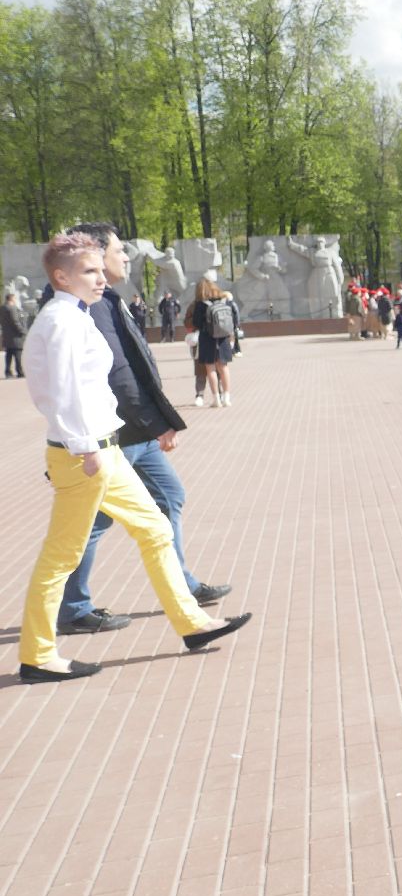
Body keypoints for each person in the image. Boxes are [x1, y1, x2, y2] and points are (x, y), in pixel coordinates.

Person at [18, 232, 251, 683]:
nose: (100, 276)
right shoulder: (61, 321)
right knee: (61, 557)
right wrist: (84, 447)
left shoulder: (75, 315)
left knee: (155, 528)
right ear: (61, 277)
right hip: (87, 454)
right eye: (89, 270)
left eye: (99, 268)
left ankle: (193, 624)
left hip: (104, 448)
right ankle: (38, 654)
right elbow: (62, 394)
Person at [49, 222, 233, 634]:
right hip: (117, 434)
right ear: (93, 257)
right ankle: (73, 609)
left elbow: (135, 366)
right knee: (93, 523)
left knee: (167, 497)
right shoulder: (89, 306)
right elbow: (118, 375)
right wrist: (157, 424)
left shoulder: (105, 299)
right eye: (119, 251)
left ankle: (183, 589)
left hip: (133, 431)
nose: (126, 257)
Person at [190, 277, 238, 405]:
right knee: (223, 367)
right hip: (223, 338)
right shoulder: (224, 301)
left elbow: (196, 323)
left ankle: (216, 398)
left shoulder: (201, 304)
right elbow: (234, 318)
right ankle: (227, 397)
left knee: (210, 368)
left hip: (207, 338)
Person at [2, 291, 25, 377]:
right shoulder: (12, 308)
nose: (15, 300)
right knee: (17, 355)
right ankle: (20, 372)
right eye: (14, 298)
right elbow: (15, 321)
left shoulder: (2, 308)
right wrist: (22, 331)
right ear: (11, 298)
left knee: (9, 355)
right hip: (15, 336)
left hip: (7, 335)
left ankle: (8, 372)